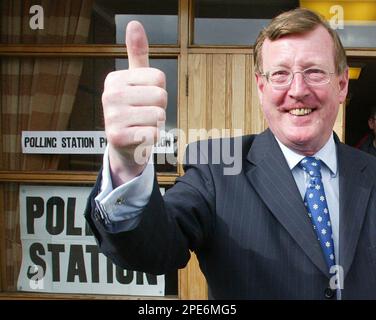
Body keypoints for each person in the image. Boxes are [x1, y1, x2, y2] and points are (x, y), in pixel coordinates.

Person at [85, 8, 376, 299]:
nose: (297, 89)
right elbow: (154, 248)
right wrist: (126, 164)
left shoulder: (371, 172)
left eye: (314, 72)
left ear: (341, 85)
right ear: (261, 88)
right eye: (280, 74)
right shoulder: (218, 168)